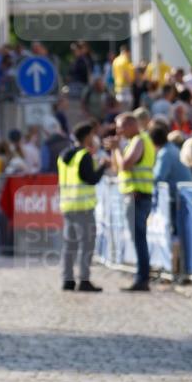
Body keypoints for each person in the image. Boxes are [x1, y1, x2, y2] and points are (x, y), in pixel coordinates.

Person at [58, 122, 110, 292]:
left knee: (69, 245)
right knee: (86, 245)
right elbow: (92, 179)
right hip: (83, 207)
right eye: (92, 135)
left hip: (67, 205)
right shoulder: (83, 156)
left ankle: (67, 280)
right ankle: (84, 280)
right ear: (87, 136)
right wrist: (103, 166)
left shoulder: (64, 155)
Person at [111, 112, 156, 291]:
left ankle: (142, 279)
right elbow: (116, 168)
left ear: (131, 125)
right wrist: (114, 150)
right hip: (136, 196)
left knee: (139, 239)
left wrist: (116, 148)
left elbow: (125, 165)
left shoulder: (139, 141)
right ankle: (142, 277)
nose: (118, 131)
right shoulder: (133, 142)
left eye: (120, 127)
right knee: (138, 239)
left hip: (138, 196)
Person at [150, 121, 192, 233]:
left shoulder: (165, 153)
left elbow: (158, 177)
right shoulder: (171, 149)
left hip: (179, 198)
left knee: (178, 232)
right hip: (183, 196)